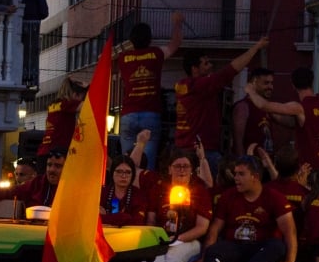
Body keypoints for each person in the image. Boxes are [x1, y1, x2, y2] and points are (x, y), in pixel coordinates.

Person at [173, 35, 269, 174]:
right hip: (203, 151)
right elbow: (230, 71)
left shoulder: (184, 85)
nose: (211, 66)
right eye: (206, 64)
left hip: (184, 148)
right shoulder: (200, 86)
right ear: (194, 69)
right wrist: (256, 47)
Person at [202, 156, 297, 262]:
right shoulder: (228, 196)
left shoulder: (275, 198)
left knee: (277, 246)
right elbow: (215, 229)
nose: (236, 178)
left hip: (260, 249)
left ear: (255, 176)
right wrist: (204, 257)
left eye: (241, 174)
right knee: (212, 250)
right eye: (235, 173)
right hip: (235, 247)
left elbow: (290, 232)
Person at [116, 13, 183, 171]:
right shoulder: (156, 54)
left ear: (131, 41)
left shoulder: (123, 58)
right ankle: (145, 182)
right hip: (150, 114)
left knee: (127, 161)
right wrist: (177, 24)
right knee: (148, 161)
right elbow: (175, 44)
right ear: (150, 39)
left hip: (128, 114)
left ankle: (126, 183)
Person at [247, 67, 319, 170]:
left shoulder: (300, 107)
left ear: (293, 85)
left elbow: (263, 105)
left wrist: (251, 91)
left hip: (309, 169)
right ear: (312, 82)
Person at [145, 150, 213, 262]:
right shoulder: (158, 189)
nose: (182, 170)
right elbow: (151, 221)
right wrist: (159, 239)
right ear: (169, 169)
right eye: (177, 166)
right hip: (161, 239)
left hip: (189, 240)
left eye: (186, 166)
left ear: (191, 170)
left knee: (172, 257)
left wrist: (178, 239)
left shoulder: (200, 192)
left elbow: (202, 227)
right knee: (151, 259)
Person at [0, 149, 65, 212]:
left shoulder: (73, 188)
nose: (51, 170)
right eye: (49, 165)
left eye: (58, 166)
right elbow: (8, 192)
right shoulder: (37, 183)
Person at [232, 68, 284, 158]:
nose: (270, 87)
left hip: (266, 162)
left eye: (271, 83)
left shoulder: (267, 107)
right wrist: (243, 162)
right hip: (251, 162)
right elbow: (238, 142)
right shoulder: (243, 106)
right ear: (254, 83)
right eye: (266, 83)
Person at [39, 77, 87, 157]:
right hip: (57, 153)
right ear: (75, 94)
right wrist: (89, 88)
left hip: (45, 150)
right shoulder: (67, 104)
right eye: (82, 97)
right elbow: (89, 105)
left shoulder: (54, 105)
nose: (81, 100)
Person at [20, 0, 48, 89]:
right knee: (31, 53)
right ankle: (30, 77)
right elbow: (44, 12)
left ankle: (22, 75)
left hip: (18, 27)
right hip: (33, 29)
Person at [100, 156, 147, 226]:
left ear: (133, 175)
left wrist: (106, 217)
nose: (123, 176)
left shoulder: (138, 195)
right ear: (112, 173)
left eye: (128, 172)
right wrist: (125, 217)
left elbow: (137, 222)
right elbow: (94, 219)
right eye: (119, 171)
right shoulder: (103, 193)